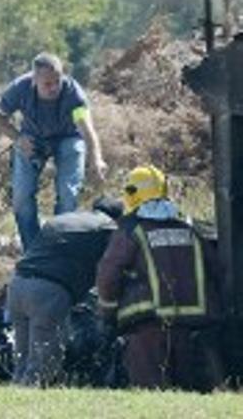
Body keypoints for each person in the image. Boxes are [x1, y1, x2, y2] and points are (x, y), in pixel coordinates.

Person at [96, 165, 224, 391]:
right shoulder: (190, 229)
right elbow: (217, 270)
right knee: (189, 396)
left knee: (151, 395)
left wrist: (107, 313)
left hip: (147, 329)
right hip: (192, 331)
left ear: (131, 194)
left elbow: (108, 275)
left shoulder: (130, 230)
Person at [0, 53, 108, 250]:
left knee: (68, 193)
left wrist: (96, 159)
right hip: (32, 138)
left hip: (68, 137)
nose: (54, 87)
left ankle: (59, 248)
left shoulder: (73, 94)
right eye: (47, 83)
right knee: (21, 196)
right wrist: (18, 138)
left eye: (57, 81)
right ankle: (33, 250)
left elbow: (87, 129)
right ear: (34, 79)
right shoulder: (19, 89)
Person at [7, 197, 123, 386]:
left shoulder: (66, 220)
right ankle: (30, 409)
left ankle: (13, 400)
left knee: (22, 359)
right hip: (47, 293)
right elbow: (112, 266)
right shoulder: (107, 226)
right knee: (43, 362)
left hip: (17, 285)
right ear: (116, 217)